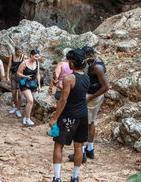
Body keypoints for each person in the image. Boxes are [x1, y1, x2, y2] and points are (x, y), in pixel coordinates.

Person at [49, 48, 90, 182]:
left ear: (72, 62)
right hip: (83, 115)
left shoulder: (68, 78)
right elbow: (75, 91)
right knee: (78, 146)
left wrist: (55, 119)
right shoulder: (86, 77)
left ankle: (57, 177)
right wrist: (60, 86)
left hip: (68, 115)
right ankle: (75, 176)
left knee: (59, 145)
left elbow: (64, 100)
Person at [68, 46, 110, 163]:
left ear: (90, 56)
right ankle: (90, 149)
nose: (83, 60)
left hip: (92, 97)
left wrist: (89, 98)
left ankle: (81, 153)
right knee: (90, 122)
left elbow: (105, 87)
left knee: (83, 123)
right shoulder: (96, 61)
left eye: (85, 58)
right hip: (93, 95)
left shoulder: (97, 67)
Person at [17, 49, 41, 125]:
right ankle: (28, 118)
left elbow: (38, 74)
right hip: (24, 82)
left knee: (28, 102)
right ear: (31, 55)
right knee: (30, 100)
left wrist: (39, 86)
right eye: (35, 56)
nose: (36, 58)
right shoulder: (24, 63)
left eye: (38, 57)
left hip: (33, 84)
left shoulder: (37, 63)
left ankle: (25, 117)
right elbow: (18, 73)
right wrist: (26, 76)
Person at [6, 47, 25, 118]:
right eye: (18, 52)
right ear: (15, 51)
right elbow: (8, 67)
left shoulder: (24, 57)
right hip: (13, 77)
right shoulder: (11, 56)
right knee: (14, 94)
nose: (19, 54)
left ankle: (18, 110)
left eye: (20, 52)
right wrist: (7, 77)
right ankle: (16, 107)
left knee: (20, 95)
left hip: (21, 77)